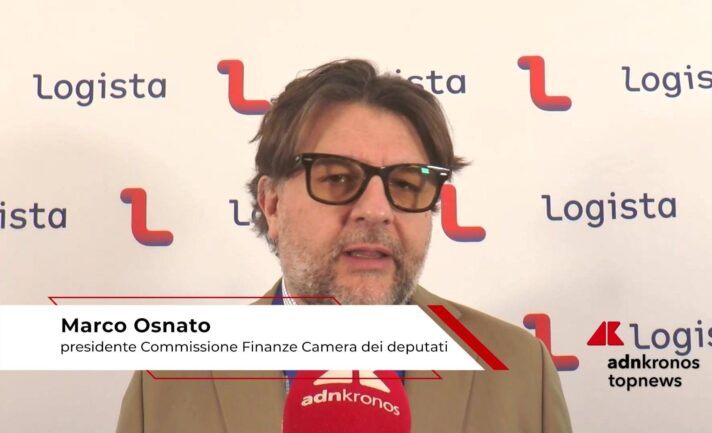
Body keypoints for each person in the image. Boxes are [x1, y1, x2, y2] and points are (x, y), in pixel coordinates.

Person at [116, 59, 572, 433]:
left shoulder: (518, 369)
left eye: (406, 183)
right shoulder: (168, 379)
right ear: (272, 205)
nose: (376, 210)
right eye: (337, 178)